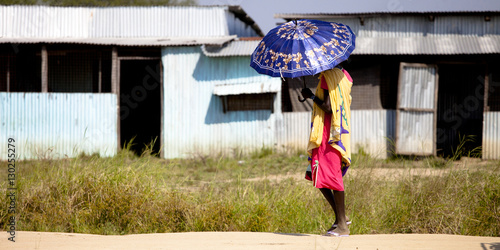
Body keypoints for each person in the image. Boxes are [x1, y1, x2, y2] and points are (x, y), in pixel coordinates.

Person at [300, 64, 353, 237]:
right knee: (316, 175)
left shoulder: (327, 77)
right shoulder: (344, 76)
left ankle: (343, 224)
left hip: (327, 133)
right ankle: (341, 218)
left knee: (332, 176)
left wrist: (311, 96)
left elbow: (329, 108)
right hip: (337, 131)